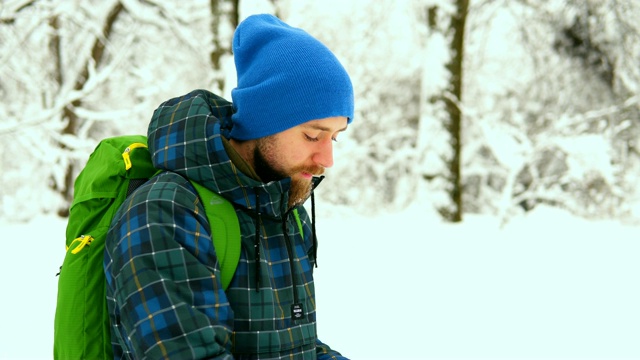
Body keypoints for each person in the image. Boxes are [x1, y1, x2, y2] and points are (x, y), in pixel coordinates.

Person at [104, 14, 354, 359]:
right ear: (263, 122)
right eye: (313, 135)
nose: (327, 159)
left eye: (335, 138)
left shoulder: (283, 211)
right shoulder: (165, 212)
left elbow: (297, 348)